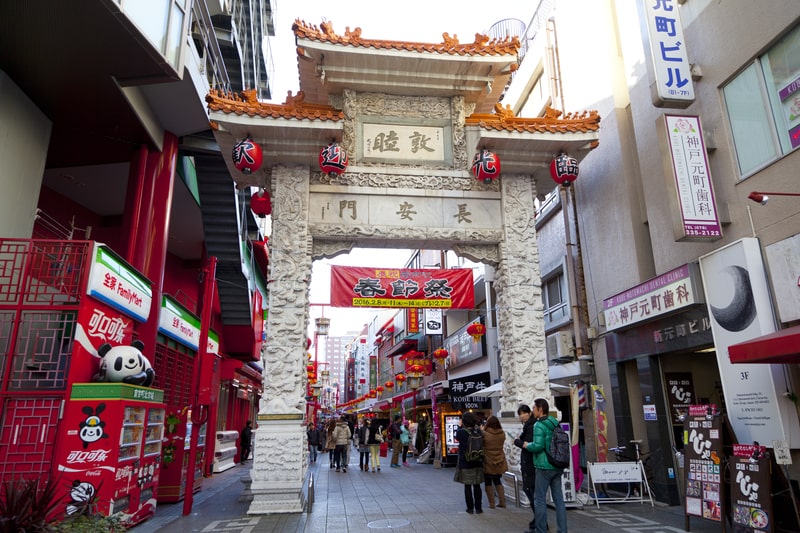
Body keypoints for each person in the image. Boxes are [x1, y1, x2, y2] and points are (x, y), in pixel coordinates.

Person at [523, 398, 567, 533]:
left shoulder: (538, 425)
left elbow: (538, 446)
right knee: (559, 499)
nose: (532, 411)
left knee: (539, 499)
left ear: (540, 409)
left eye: (534, 408)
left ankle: (540, 529)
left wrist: (526, 445)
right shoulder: (554, 422)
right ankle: (562, 530)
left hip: (544, 465)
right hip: (557, 464)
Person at [453, 411, 484, 514]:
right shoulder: (478, 431)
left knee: (467, 486)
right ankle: (479, 508)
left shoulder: (461, 432)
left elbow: (456, 437)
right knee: (477, 485)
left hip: (465, 462)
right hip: (478, 460)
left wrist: (459, 426)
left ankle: (470, 508)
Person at [513, 404, 536, 529]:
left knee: (530, 490)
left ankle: (540, 520)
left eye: (524, 413)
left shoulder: (531, 426)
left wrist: (518, 442)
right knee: (530, 491)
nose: (522, 416)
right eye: (520, 414)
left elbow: (530, 445)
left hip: (531, 464)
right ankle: (539, 519)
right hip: (528, 463)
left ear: (530, 413)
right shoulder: (528, 426)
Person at [482, 415, 508, 509]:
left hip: (488, 459)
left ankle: (491, 503)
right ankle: (502, 501)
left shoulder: (485, 434)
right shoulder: (502, 434)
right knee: (498, 480)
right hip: (499, 459)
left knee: (488, 482)